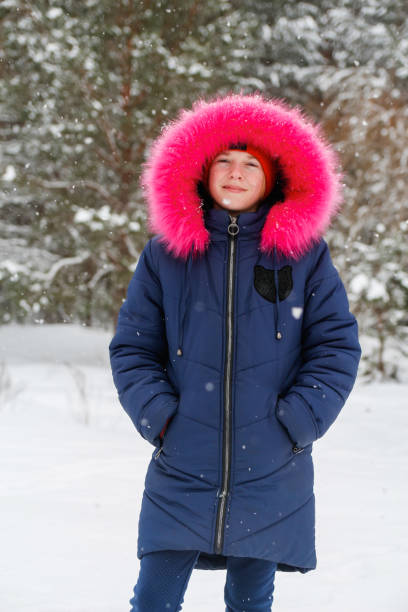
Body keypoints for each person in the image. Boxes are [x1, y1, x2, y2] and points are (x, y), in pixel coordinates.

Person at [109, 92, 361, 611]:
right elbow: (133, 348)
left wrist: (297, 421)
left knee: (250, 602)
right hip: (182, 461)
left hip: (271, 466)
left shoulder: (303, 255)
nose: (236, 173)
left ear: (274, 179)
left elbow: (335, 345)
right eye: (223, 160)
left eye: (251, 164)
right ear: (202, 169)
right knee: (153, 599)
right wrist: (160, 418)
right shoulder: (165, 255)